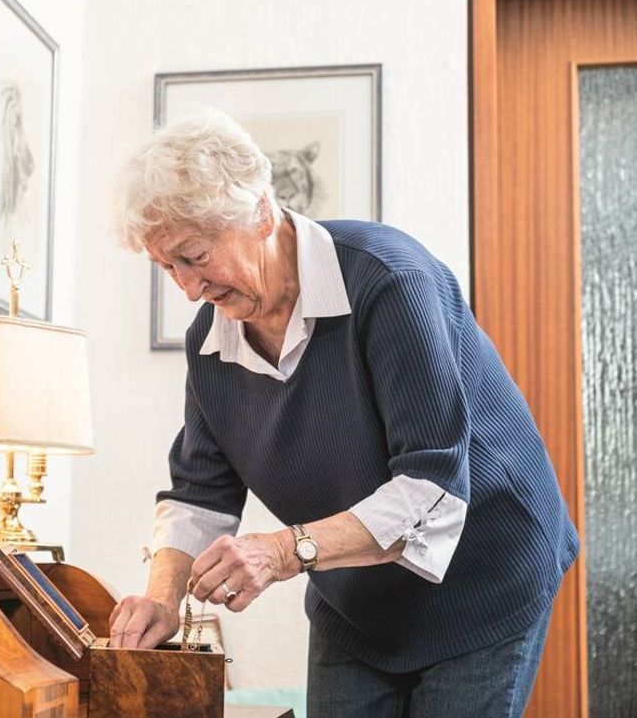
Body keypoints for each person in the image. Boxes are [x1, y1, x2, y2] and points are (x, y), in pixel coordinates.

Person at [107, 108, 579, 718]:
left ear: (259, 211)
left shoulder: (389, 280)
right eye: (168, 267)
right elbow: (201, 491)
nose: (189, 288)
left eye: (195, 257)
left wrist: (280, 551)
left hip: (482, 579)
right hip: (355, 596)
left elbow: (430, 490)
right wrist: (162, 599)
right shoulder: (211, 339)